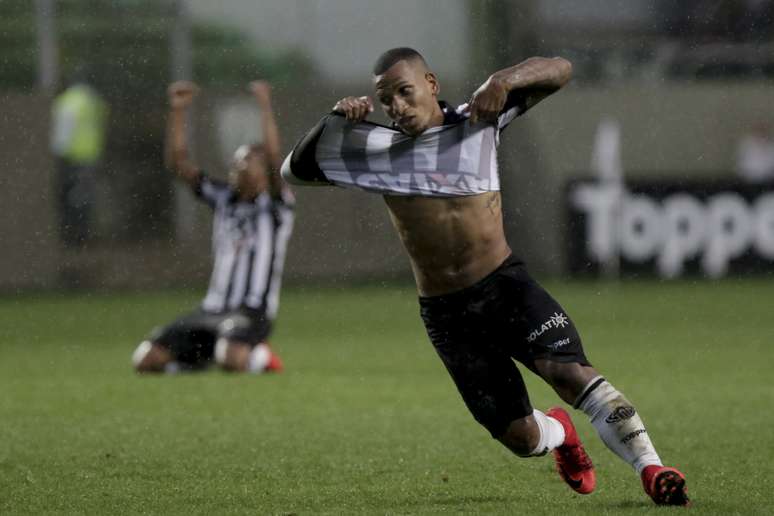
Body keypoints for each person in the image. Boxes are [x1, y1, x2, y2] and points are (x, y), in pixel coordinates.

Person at [282, 48, 689, 506]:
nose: (396, 105)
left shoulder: (479, 117)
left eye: (404, 91)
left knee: (570, 373)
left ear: (431, 85)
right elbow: (294, 171)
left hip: (505, 287)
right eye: (385, 99)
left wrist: (505, 78)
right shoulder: (374, 149)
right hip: (448, 314)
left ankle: (653, 469)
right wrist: (332, 120)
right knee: (521, 438)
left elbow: (561, 69)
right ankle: (560, 433)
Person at [132, 80, 294, 374]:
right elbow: (178, 163)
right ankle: (197, 362)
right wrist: (178, 111)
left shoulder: (275, 206)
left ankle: (261, 357)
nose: (239, 165)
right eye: (237, 160)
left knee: (231, 361)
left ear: (262, 173)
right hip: (212, 310)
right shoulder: (223, 199)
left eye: (247, 160)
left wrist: (264, 106)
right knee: (146, 360)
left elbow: (273, 157)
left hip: (251, 312)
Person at [50, 69, 109, 247]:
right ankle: (84, 235)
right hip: (92, 156)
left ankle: (72, 237)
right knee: (85, 196)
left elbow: (63, 132)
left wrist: (58, 152)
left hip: (73, 157)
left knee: (71, 197)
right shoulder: (94, 100)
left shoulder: (69, 101)